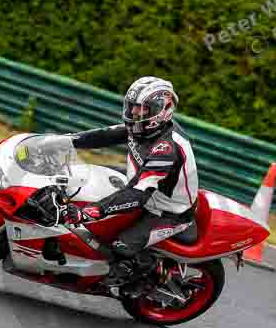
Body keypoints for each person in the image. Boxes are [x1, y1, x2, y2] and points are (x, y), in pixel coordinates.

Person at [62, 76, 199, 287]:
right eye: (132, 106)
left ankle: (144, 280)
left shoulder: (167, 148)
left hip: (168, 212)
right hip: (142, 186)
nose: (134, 112)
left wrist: (90, 212)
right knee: (83, 180)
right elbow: (106, 135)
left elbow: (138, 194)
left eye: (140, 109)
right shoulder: (145, 127)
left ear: (160, 111)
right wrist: (68, 141)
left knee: (119, 246)